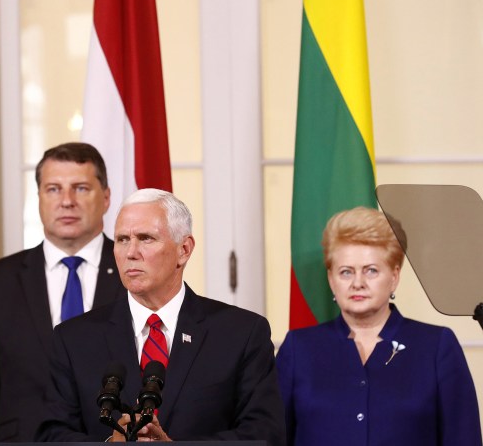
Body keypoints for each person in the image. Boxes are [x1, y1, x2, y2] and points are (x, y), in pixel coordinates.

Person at [35, 188, 285, 444]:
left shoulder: (241, 333)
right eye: (122, 239)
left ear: (184, 250)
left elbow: (265, 434)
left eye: (145, 238)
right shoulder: (74, 338)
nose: (131, 252)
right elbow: (50, 435)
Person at [0, 142, 125, 446]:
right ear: (38, 198)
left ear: (105, 198)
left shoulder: (134, 273)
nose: (66, 201)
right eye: (53, 189)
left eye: (80, 188)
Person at [276, 206, 482, 446]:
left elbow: (464, 439)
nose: (358, 283)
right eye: (346, 272)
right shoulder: (298, 348)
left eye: (371, 271)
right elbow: (275, 437)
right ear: (331, 280)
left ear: (394, 277)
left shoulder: (437, 347)